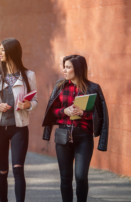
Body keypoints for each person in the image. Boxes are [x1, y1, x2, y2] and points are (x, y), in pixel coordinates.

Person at [42, 55, 109, 202]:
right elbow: (50, 112)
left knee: (81, 176)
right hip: (63, 137)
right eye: (64, 67)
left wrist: (83, 113)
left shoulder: (93, 88)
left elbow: (100, 115)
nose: (64, 70)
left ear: (77, 69)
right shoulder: (60, 86)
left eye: (68, 67)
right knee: (65, 178)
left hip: (83, 137)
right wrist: (64, 111)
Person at [0, 38, 38, 202]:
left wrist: (28, 104)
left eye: (2, 50)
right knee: (2, 171)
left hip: (19, 128)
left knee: (18, 169)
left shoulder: (28, 75)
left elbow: (35, 101)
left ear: (12, 52)